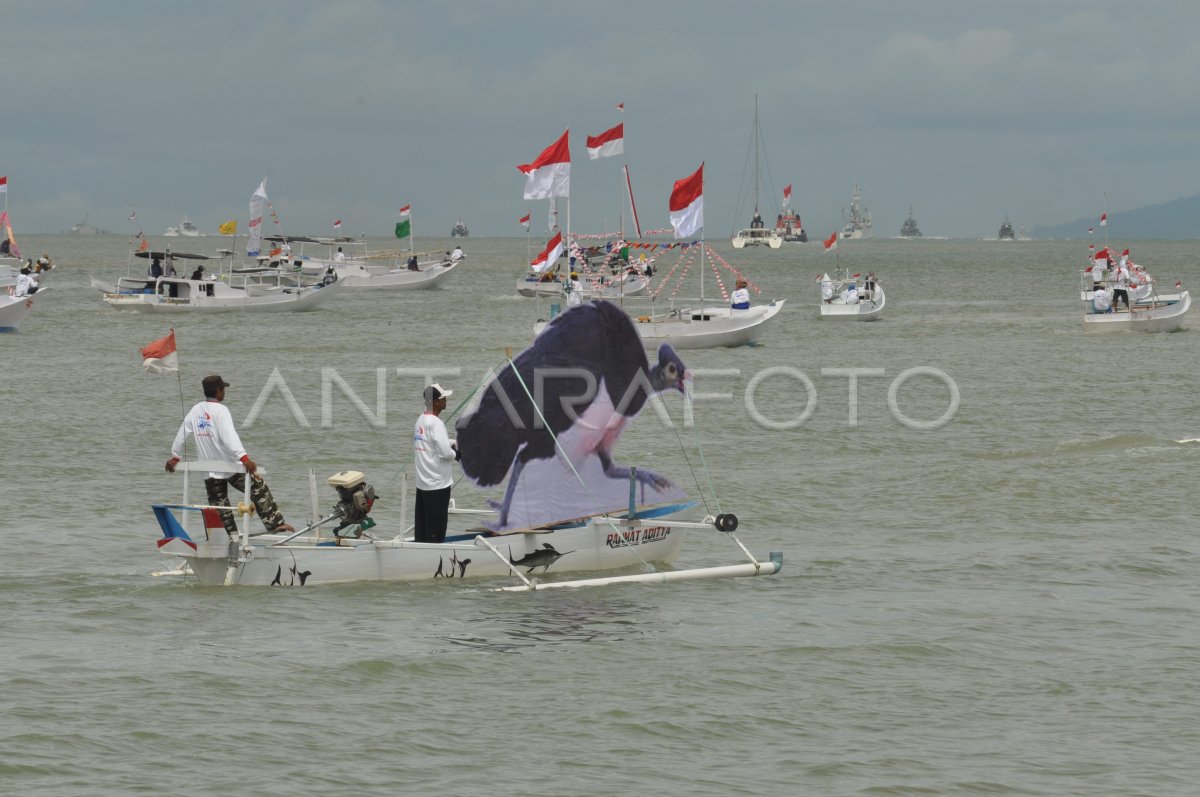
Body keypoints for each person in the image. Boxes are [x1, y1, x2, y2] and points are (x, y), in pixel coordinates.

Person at [165, 375, 295, 537]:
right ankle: (276, 523)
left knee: (220, 505)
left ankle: (230, 537)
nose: (224, 392)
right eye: (223, 389)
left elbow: (182, 433)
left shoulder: (195, 410)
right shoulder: (221, 410)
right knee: (259, 488)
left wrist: (175, 457)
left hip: (208, 469)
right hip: (229, 466)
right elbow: (229, 436)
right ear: (218, 391)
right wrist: (244, 459)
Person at [413, 383, 459, 543]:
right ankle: (433, 559)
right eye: (443, 398)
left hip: (423, 484)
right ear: (436, 402)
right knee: (436, 531)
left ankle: (420, 556)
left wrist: (453, 442)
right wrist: (457, 454)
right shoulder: (436, 423)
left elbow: (432, 443)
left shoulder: (420, 420)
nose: (446, 400)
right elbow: (445, 452)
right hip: (438, 485)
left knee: (423, 529)